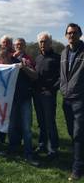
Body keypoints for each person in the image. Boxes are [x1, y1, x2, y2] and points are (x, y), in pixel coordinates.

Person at [3, 38, 38, 166]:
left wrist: (24, 67)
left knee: (26, 128)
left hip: (25, 98)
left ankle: (28, 153)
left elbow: (35, 76)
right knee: (11, 126)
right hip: (12, 98)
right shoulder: (9, 58)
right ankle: (12, 149)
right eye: (17, 44)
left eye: (21, 44)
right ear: (14, 46)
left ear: (25, 46)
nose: (19, 46)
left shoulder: (28, 59)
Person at [60, 23, 84, 181]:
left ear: (80, 34)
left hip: (80, 99)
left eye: (74, 33)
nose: (71, 35)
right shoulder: (63, 52)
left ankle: (77, 169)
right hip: (66, 99)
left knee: (78, 134)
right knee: (71, 132)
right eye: (69, 33)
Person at [33, 32, 60, 160]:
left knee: (50, 122)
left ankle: (53, 148)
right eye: (41, 42)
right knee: (41, 122)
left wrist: (53, 89)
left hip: (48, 95)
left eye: (45, 42)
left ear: (50, 43)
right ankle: (42, 144)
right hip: (37, 95)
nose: (43, 44)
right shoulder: (37, 58)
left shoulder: (57, 58)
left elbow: (62, 77)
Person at [0, 35, 14, 143]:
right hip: (0, 91)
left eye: (7, 42)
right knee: (0, 113)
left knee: (10, 115)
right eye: (3, 42)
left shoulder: (14, 56)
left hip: (10, 90)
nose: (5, 44)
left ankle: (12, 139)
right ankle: (0, 136)